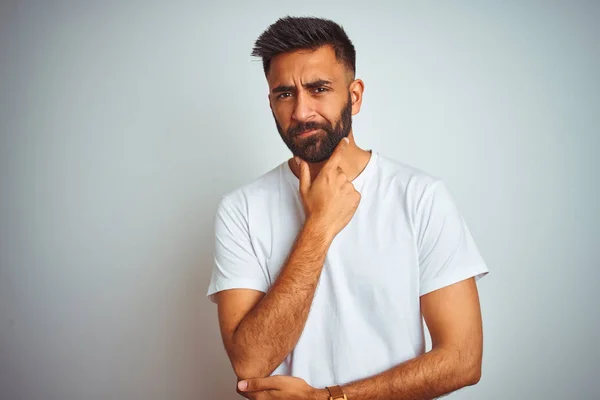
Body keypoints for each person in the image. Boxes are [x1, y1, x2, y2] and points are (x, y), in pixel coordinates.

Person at [206, 16, 489, 400]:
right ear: (270, 103)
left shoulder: (420, 196)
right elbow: (250, 365)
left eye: (319, 88)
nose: (302, 112)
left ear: (354, 95)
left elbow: (463, 359)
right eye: (285, 94)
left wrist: (330, 398)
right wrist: (319, 226)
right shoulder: (241, 209)